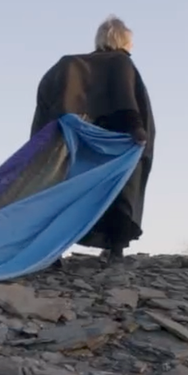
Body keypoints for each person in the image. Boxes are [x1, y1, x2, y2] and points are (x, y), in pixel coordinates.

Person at [30, 15, 156, 261]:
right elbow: (125, 98)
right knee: (120, 190)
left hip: (73, 144)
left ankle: (52, 251)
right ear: (124, 40)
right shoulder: (120, 62)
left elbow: (49, 104)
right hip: (114, 142)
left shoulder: (69, 65)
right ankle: (115, 249)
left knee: (67, 193)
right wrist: (138, 130)